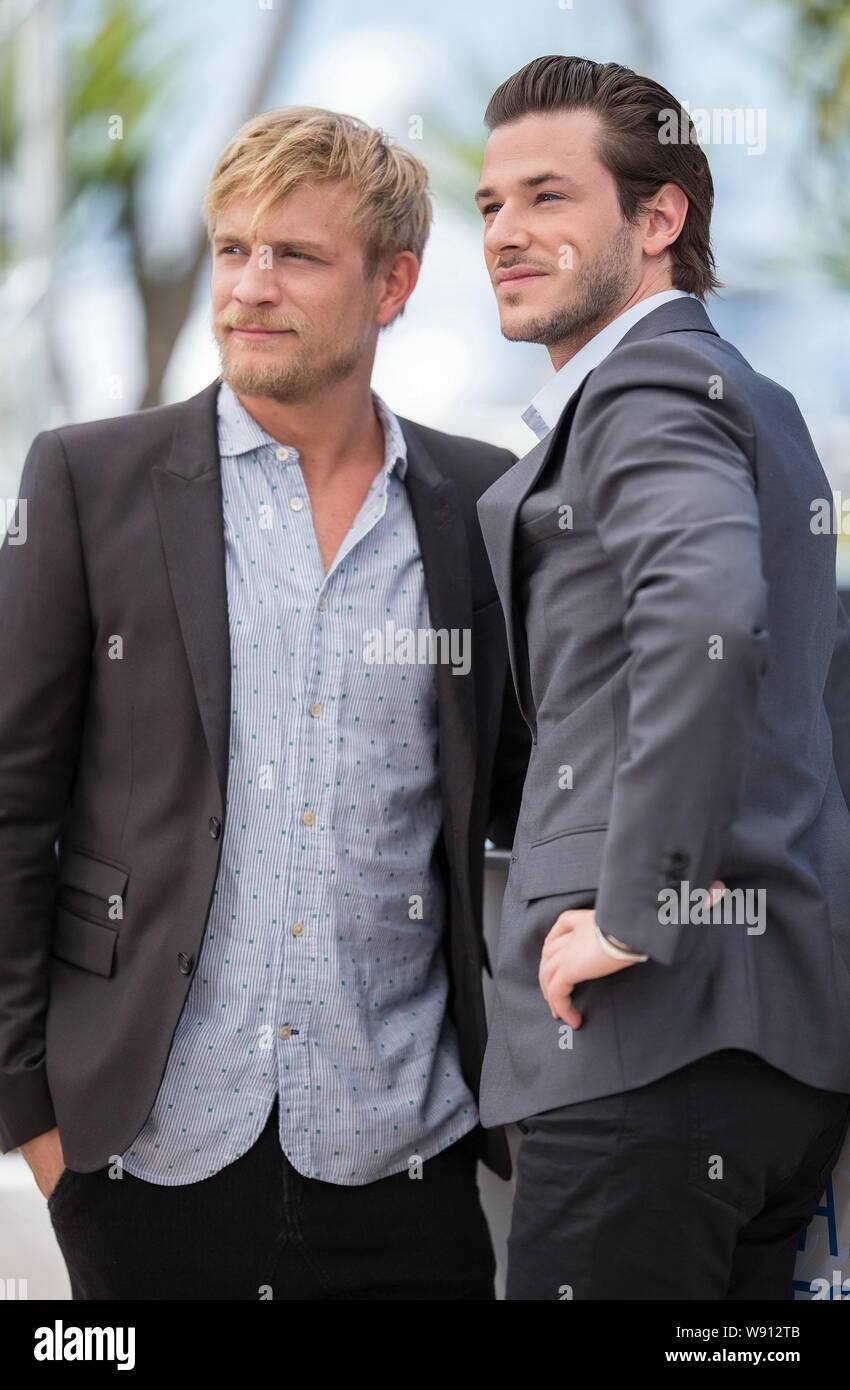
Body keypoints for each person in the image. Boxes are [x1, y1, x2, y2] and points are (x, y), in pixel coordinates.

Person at [0, 105, 531, 1300]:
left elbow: (527, 793)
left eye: (295, 254)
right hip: (141, 1164)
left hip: (407, 1162)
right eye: (232, 249)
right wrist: (40, 1130)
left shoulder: (478, 506)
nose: (249, 286)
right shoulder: (87, 480)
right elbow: (2, 810)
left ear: (391, 284)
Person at [473, 54, 850, 1300]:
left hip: (639, 1046)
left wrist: (637, 907)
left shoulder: (640, 387)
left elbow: (708, 618)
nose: (506, 235)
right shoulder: (760, 401)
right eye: (487, 206)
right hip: (777, 1058)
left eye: (545, 197)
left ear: (656, 218)